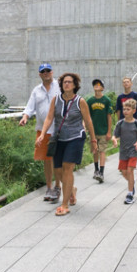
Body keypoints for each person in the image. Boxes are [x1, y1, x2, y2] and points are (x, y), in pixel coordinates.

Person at [39, 72, 97, 216]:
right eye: (64, 82)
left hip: (75, 137)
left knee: (67, 168)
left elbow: (88, 121)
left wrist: (93, 140)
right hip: (59, 138)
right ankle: (71, 189)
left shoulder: (80, 101)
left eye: (70, 82)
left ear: (75, 85)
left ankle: (64, 205)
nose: (67, 84)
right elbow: (49, 118)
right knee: (58, 171)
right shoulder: (56, 100)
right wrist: (42, 134)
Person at [18, 63, 62, 202]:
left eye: (48, 70)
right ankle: (49, 187)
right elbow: (29, 108)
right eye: (43, 71)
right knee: (46, 160)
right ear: (39, 74)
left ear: (52, 72)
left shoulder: (60, 87)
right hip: (43, 130)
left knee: (57, 159)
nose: (46, 73)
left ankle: (58, 186)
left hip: (59, 129)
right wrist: (25, 117)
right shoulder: (36, 90)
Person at [112, 98, 137, 204]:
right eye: (124, 109)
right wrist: (114, 140)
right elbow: (115, 135)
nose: (125, 111)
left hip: (133, 151)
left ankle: (129, 194)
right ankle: (131, 184)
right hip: (123, 152)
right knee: (124, 172)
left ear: (134, 111)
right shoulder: (120, 123)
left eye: (128, 109)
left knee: (130, 171)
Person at [86, 79, 113, 183]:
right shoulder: (90, 101)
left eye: (99, 85)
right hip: (93, 131)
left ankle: (101, 172)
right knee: (95, 151)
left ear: (102, 88)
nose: (97, 86)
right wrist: (85, 126)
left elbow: (109, 116)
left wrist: (109, 131)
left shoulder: (106, 100)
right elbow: (87, 115)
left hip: (103, 130)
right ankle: (96, 170)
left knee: (102, 150)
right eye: (95, 85)